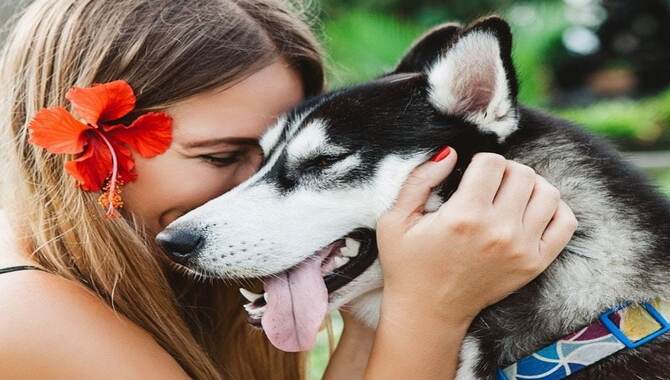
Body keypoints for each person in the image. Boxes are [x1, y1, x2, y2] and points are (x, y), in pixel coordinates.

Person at [0, 0, 577, 379]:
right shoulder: (23, 312)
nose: (252, 192)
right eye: (222, 156)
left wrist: (378, 277)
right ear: (81, 148)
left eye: (278, 156)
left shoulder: (190, 287)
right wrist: (430, 309)